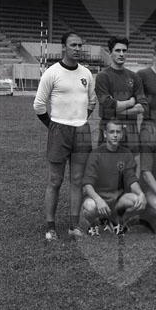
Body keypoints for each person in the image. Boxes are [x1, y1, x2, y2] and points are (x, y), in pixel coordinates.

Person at [33, 31, 97, 241]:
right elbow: (38, 105)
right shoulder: (52, 73)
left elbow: (92, 101)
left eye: (80, 45)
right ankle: (50, 227)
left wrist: (80, 120)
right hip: (59, 130)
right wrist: (53, 126)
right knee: (55, 180)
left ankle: (73, 226)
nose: (77, 49)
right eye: (73, 45)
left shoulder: (86, 73)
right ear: (63, 47)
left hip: (82, 131)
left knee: (77, 180)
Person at [80, 120, 146, 236]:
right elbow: (87, 184)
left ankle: (116, 221)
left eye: (118, 132)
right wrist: (98, 200)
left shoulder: (126, 153)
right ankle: (94, 224)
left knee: (138, 201)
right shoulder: (96, 154)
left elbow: (131, 179)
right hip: (99, 198)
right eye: (111, 132)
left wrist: (141, 194)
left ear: (122, 134)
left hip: (117, 199)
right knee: (89, 206)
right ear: (105, 134)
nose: (115, 135)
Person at [95, 36, 148, 151]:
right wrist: (131, 102)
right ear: (110, 53)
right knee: (107, 161)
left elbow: (142, 106)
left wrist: (117, 109)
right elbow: (107, 105)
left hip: (131, 131)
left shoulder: (134, 77)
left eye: (124, 51)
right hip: (109, 128)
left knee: (131, 161)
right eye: (118, 50)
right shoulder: (102, 76)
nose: (121, 54)